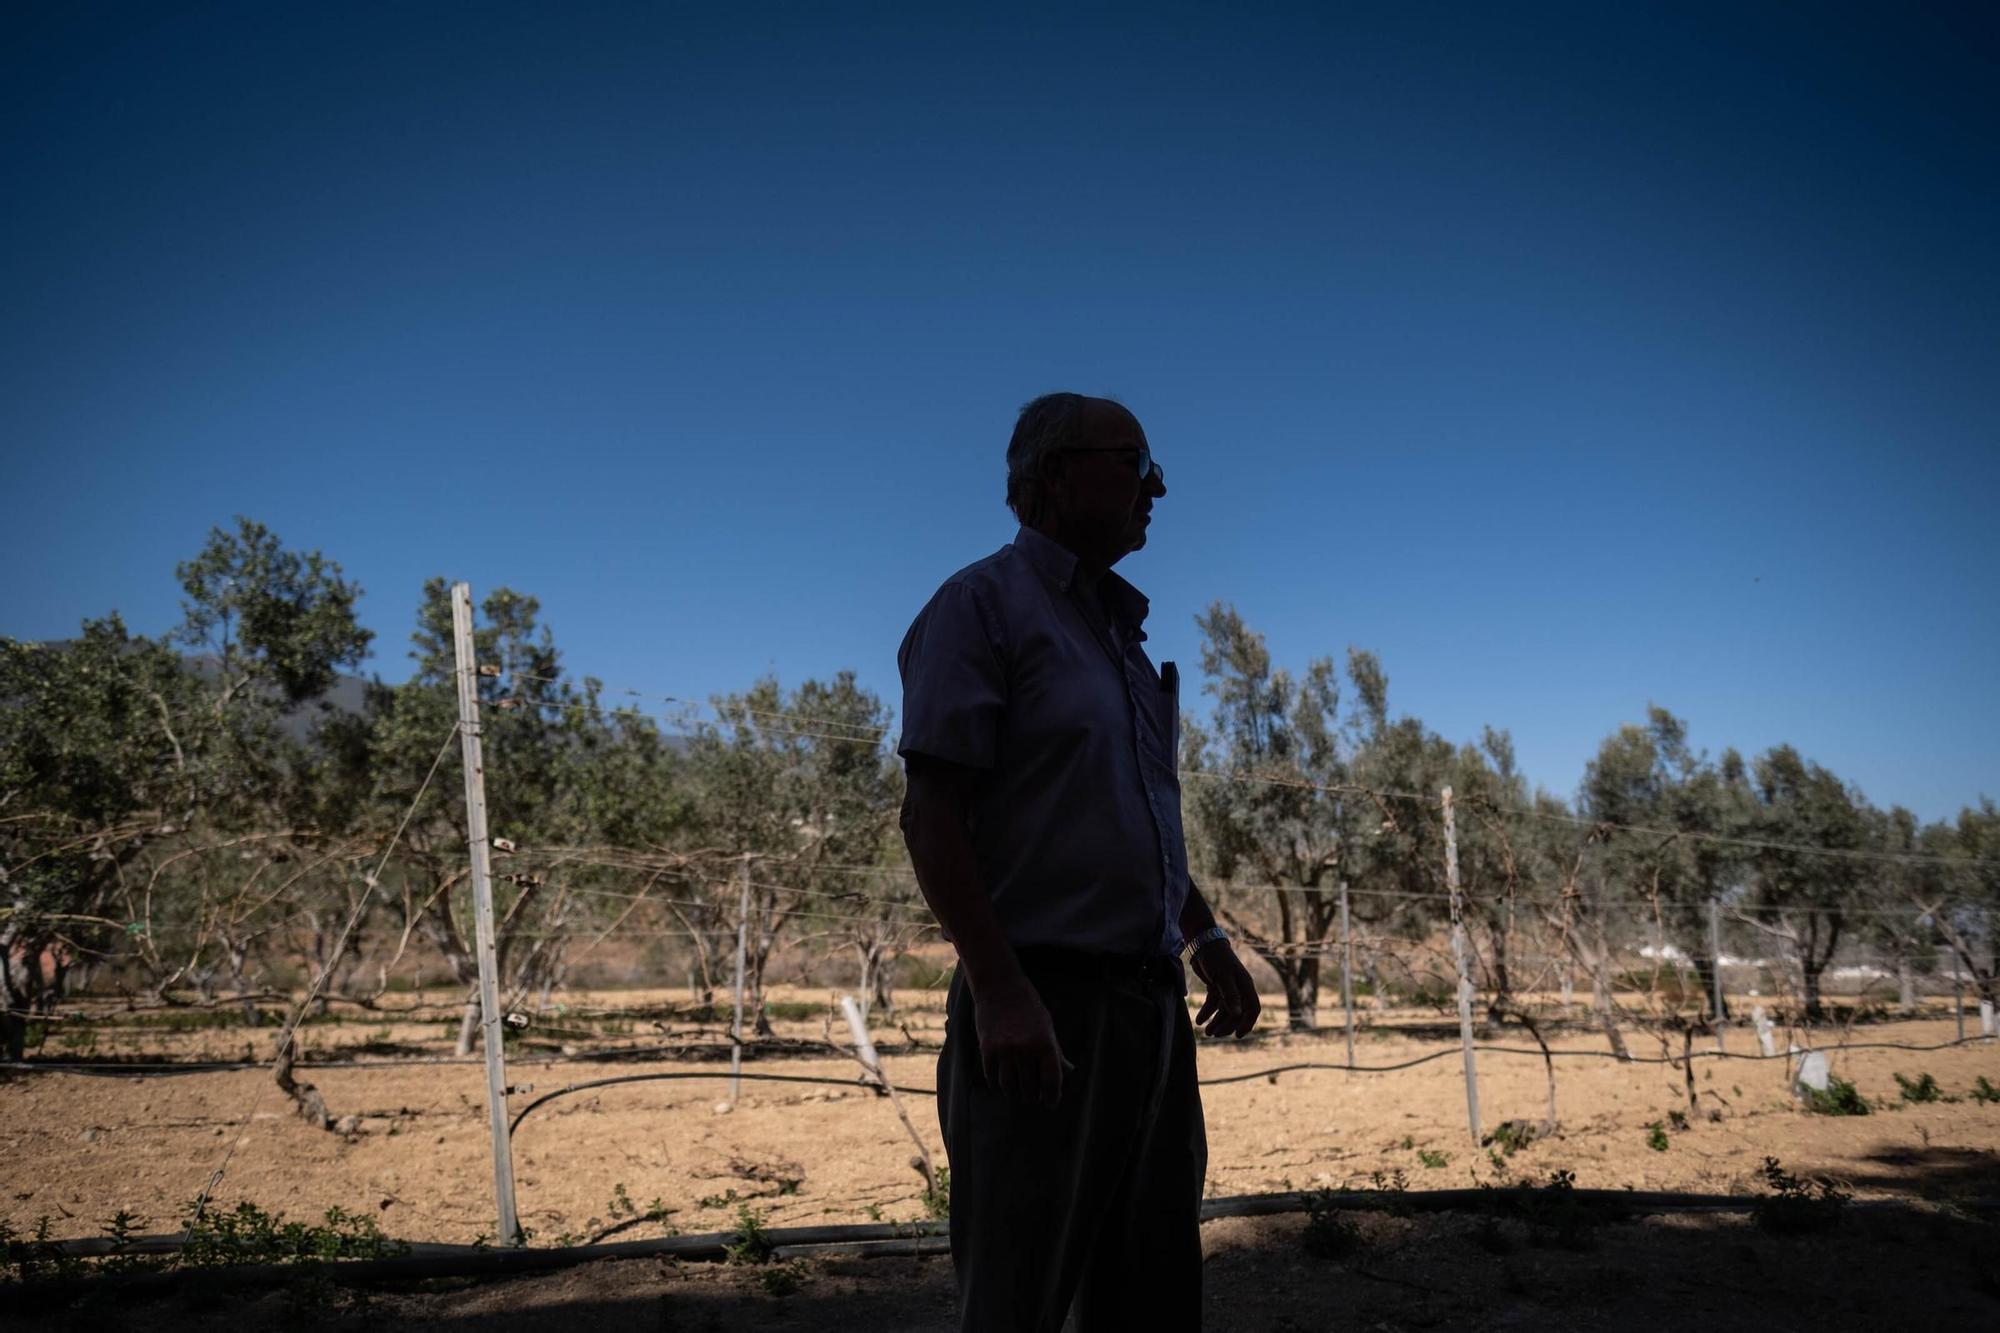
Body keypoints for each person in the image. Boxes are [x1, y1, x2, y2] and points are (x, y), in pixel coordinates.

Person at [897, 392, 1261, 1332]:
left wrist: (1204, 932)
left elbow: (1137, 816)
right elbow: (931, 815)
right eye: (1137, 460)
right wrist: (1001, 989)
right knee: (1019, 1297)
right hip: (1040, 1011)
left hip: (1152, 1014)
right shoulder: (980, 607)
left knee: (1151, 1293)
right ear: (1057, 475)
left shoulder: (1125, 647)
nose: (1161, 485)